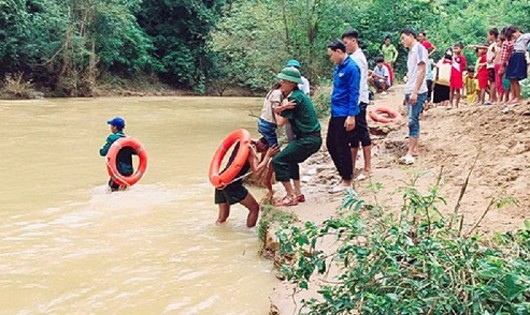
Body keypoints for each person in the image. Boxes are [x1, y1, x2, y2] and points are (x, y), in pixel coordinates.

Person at [272, 67, 322, 206]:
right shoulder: (298, 96)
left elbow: (281, 122)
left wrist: (276, 109)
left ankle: (290, 196)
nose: (281, 83)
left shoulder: (294, 99)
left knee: (277, 161)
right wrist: (282, 109)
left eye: (284, 81)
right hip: (311, 138)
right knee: (291, 160)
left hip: (307, 139)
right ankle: (298, 193)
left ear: (292, 83)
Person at [215, 137, 279, 228]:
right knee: (254, 208)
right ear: (263, 145)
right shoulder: (250, 150)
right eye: (264, 150)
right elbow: (256, 172)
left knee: (223, 216)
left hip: (221, 180)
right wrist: (268, 156)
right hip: (232, 184)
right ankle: (249, 234)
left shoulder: (244, 142)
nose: (262, 152)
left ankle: (218, 233)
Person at [325, 39, 360, 191]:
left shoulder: (352, 68)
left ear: (339, 51)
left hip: (345, 113)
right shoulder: (338, 67)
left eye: (331, 55)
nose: (330, 58)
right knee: (331, 144)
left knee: (341, 146)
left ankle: (347, 180)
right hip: (336, 111)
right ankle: (344, 175)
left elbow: (354, 92)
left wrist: (351, 115)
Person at [342, 29, 372, 181]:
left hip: (359, 100)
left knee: (362, 132)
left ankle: (367, 168)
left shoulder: (357, 59)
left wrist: (353, 105)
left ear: (354, 41)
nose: (345, 46)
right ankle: (351, 167)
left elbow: (358, 84)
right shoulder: (353, 58)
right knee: (352, 135)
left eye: (346, 43)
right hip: (354, 101)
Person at [400, 28, 428, 165]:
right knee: (410, 119)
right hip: (409, 88)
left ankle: (410, 152)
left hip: (417, 90)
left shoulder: (420, 49)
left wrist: (415, 91)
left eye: (403, 37)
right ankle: (414, 148)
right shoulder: (411, 52)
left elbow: (422, 71)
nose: (402, 41)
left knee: (412, 120)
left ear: (411, 36)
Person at [99, 117, 135, 192]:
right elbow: (136, 152)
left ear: (115, 127)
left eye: (111, 126)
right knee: (124, 192)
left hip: (118, 171)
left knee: (112, 191)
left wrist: (102, 150)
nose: (110, 128)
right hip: (129, 171)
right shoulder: (128, 139)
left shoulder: (112, 138)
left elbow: (103, 153)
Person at [503, 26, 530, 104]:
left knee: (515, 77)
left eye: (513, 34)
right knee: (511, 78)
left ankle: (518, 97)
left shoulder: (525, 36)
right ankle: (514, 96)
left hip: (519, 56)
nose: (513, 36)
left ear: (517, 31)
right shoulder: (514, 40)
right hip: (513, 56)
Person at [258, 82, 282, 147]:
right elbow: (275, 109)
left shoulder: (272, 91)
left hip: (262, 121)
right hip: (269, 124)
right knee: (275, 148)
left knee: (267, 144)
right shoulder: (278, 93)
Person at [449, 43, 467, 109]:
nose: (455, 50)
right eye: (454, 48)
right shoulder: (453, 57)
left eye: (457, 48)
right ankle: (450, 104)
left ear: (461, 49)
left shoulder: (462, 57)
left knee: (457, 90)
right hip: (452, 74)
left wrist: (461, 69)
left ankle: (456, 104)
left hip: (458, 75)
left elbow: (465, 66)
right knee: (451, 89)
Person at [486, 28, 499, 103]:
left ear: (492, 35)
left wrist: (492, 58)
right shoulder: (492, 44)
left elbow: (497, 52)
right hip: (490, 65)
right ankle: (494, 98)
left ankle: (491, 99)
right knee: (491, 81)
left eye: (488, 35)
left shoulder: (495, 44)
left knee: (492, 82)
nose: (487, 37)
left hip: (492, 65)